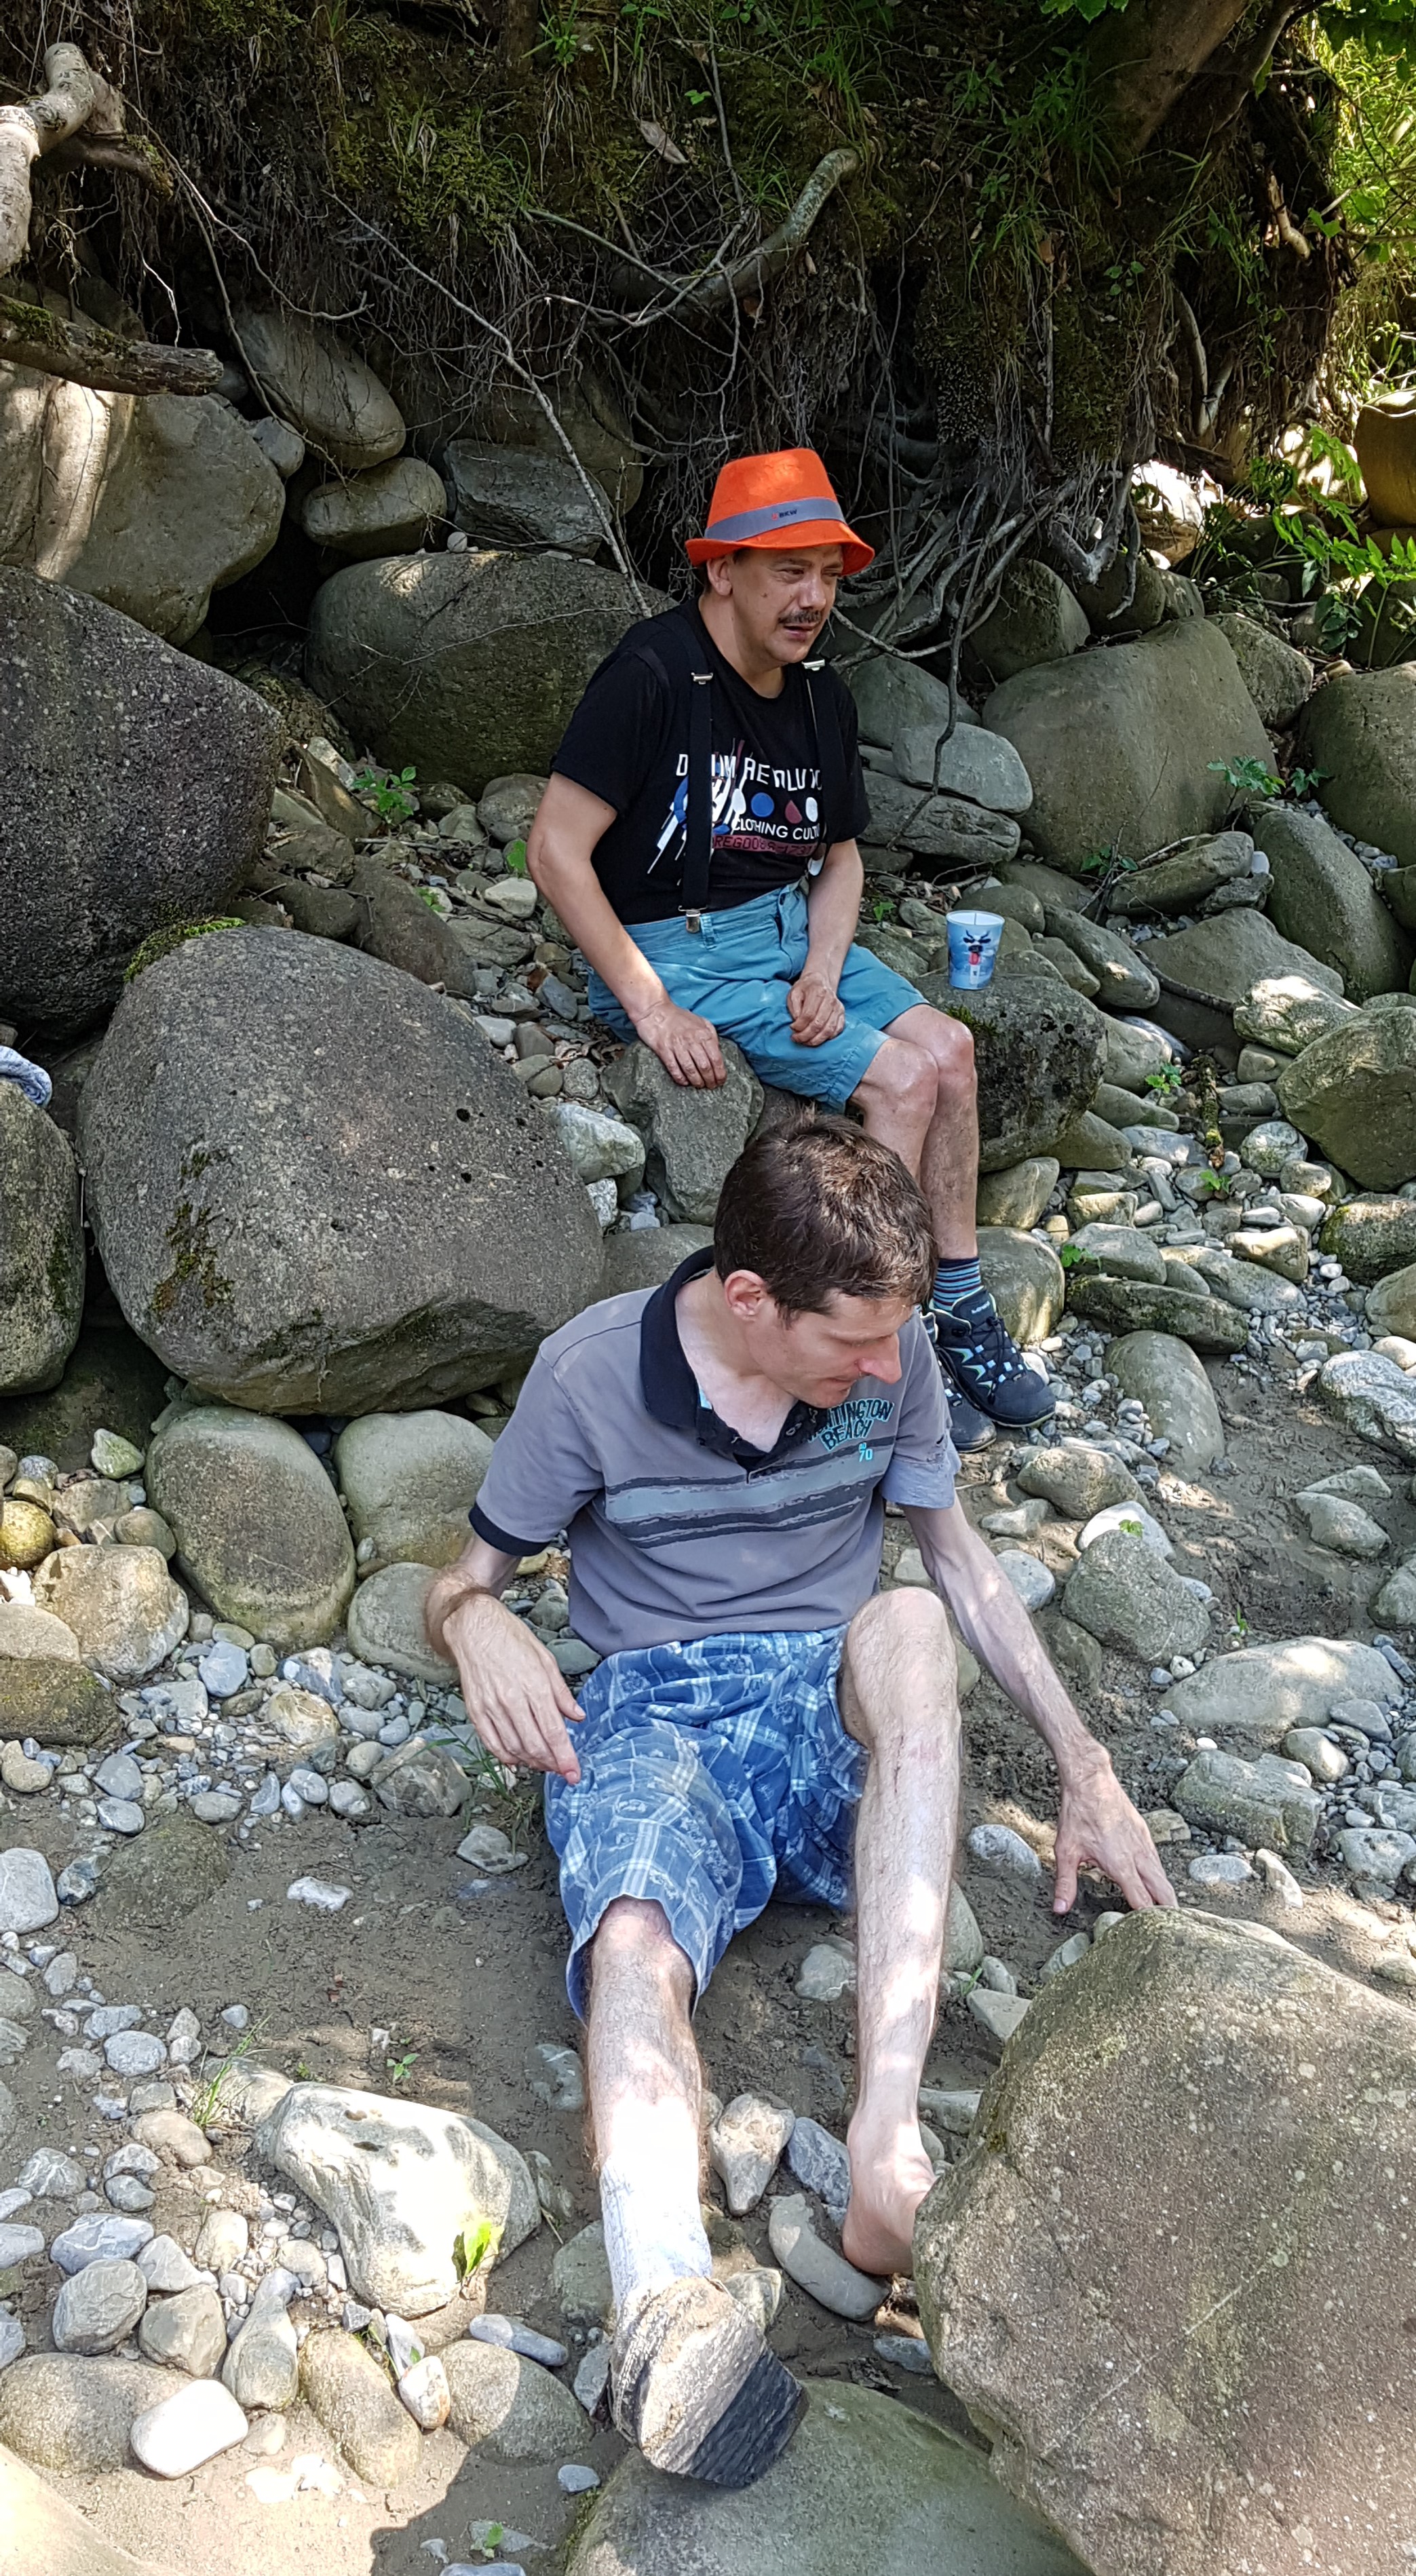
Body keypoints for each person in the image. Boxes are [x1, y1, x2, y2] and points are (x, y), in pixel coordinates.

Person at [425, 1119, 1174, 2491]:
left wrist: (1087, 1767)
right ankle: (663, 2301)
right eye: (857, 1343)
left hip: (820, 1706)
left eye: (897, 1340)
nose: (889, 1369)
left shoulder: (896, 1353)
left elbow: (956, 1559)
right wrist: (479, 1627)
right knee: (634, 1938)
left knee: (907, 1622)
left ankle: (886, 2148)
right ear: (751, 1298)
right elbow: (460, 1581)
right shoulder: (589, 1374)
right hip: (653, 1711)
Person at [526, 444, 1053, 1448]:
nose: (813, 597)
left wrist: (822, 967)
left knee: (951, 1050)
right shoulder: (651, 674)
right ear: (724, 570)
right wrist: (649, 1006)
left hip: (788, 927)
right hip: (676, 949)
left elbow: (840, 862)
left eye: (827, 573)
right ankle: (865, 1346)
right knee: (903, 1080)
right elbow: (553, 850)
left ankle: (956, 1299)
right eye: (788, 571)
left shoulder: (820, 697)